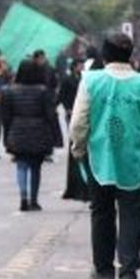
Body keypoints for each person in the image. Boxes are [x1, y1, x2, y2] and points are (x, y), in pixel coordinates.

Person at [70, 32, 140, 279]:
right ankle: (129, 274)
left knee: (101, 211)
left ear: (104, 55)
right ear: (130, 55)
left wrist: (79, 146)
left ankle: (105, 270)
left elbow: (79, 121)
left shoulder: (91, 80)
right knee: (131, 212)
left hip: (100, 156)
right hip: (132, 157)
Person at [2, 58, 63, 211]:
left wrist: (6, 136)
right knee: (36, 167)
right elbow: (50, 115)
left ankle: (23, 196)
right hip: (39, 132)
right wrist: (56, 136)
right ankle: (34, 200)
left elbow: (6, 117)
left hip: (18, 131)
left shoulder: (10, 91)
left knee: (21, 165)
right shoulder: (43, 92)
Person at [60, 59, 91, 202]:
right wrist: (68, 108)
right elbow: (63, 96)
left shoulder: (86, 79)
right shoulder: (67, 80)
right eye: (79, 65)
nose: (81, 67)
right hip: (72, 113)